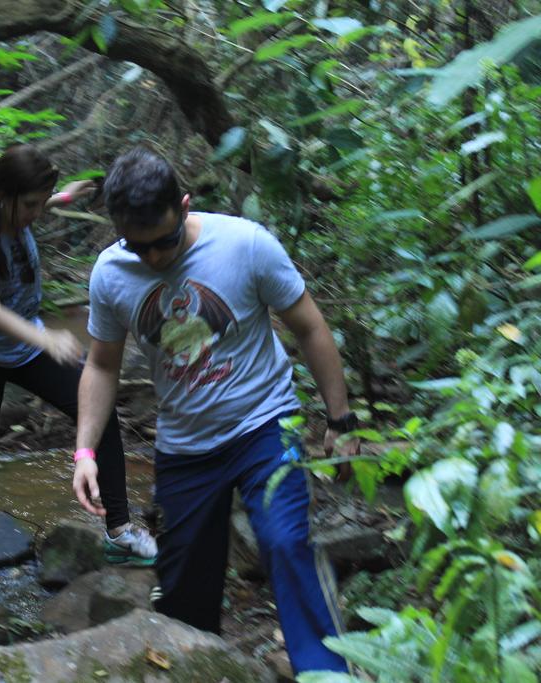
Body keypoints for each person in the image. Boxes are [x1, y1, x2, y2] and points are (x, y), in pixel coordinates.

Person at [71, 147, 359, 675]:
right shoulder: (111, 274)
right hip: (186, 447)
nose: (154, 259)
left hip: (265, 424)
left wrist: (340, 421)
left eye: (165, 242)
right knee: (184, 599)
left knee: (284, 542)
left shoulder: (244, 244)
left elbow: (311, 327)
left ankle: (327, 671)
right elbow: (102, 365)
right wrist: (85, 451)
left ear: (184, 206)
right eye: (139, 248)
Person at [0, 144, 156, 617]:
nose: (37, 214)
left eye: (42, 204)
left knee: (98, 416)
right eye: (32, 205)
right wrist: (49, 339)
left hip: (24, 345)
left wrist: (63, 197)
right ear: (3, 196)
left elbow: (37, 203)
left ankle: (119, 532)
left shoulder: (18, 207)